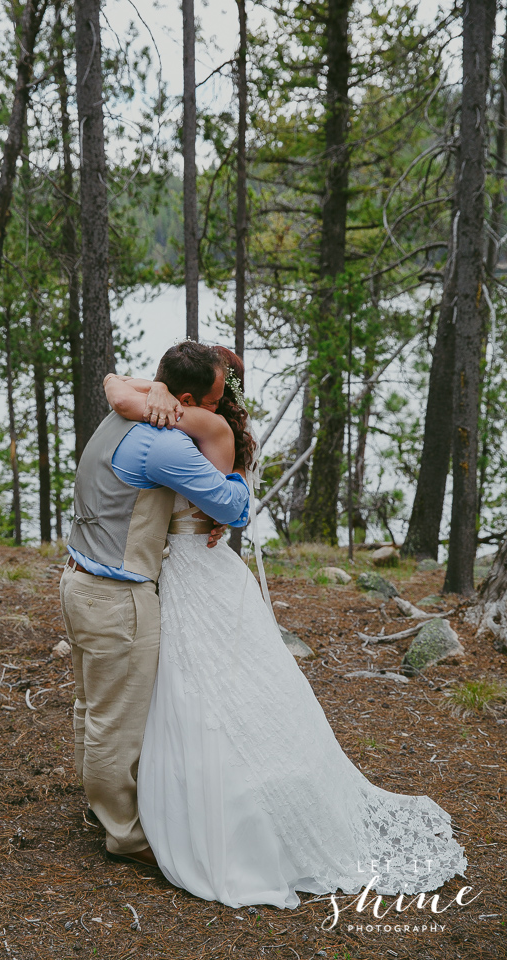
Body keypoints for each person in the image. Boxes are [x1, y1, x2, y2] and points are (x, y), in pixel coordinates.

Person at [104, 346, 468, 910]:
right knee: (224, 686)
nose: (220, 396)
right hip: (205, 570)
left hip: (186, 572)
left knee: (196, 689)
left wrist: (144, 391)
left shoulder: (203, 422)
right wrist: (152, 392)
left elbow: (119, 392)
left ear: (189, 397)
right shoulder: (215, 424)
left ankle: (208, 810)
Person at [59, 341, 250, 869]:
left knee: (91, 708)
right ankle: (124, 834)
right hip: (117, 596)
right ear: (185, 397)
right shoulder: (163, 445)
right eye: (211, 401)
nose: (212, 410)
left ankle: (100, 808)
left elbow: (119, 384)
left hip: (77, 580)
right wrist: (234, 479)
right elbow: (232, 507)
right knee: (114, 726)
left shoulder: (120, 419)